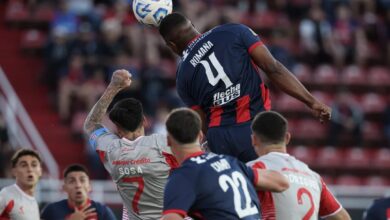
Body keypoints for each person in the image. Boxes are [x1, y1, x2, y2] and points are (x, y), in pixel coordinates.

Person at [158, 12, 332, 162]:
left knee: (237, 197)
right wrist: (311, 101)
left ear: (172, 45)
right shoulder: (233, 31)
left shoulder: (182, 76)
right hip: (256, 127)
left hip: (220, 138)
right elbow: (273, 68)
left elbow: (201, 122)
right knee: (268, 193)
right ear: (193, 25)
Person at [83, 69, 178, 219]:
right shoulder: (164, 144)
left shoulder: (111, 150)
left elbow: (91, 124)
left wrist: (113, 87)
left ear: (118, 130)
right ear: (145, 121)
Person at [162, 108, 289, 220]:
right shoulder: (230, 162)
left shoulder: (183, 176)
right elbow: (281, 182)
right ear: (200, 136)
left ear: (168, 141)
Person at [247, 111, 351, 220]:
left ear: (253, 140)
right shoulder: (313, 176)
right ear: (287, 138)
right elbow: (343, 218)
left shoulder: (253, 169)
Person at [41, 164, 116, 220]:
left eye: (82, 180)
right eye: (72, 181)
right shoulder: (51, 210)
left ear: (89, 186)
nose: (78, 185)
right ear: (64, 188)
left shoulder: (102, 211)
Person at [0, 149, 42, 220]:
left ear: (40, 171)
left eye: (34, 165)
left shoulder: (34, 202)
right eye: (24, 165)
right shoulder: (6, 195)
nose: (30, 169)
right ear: (14, 171)